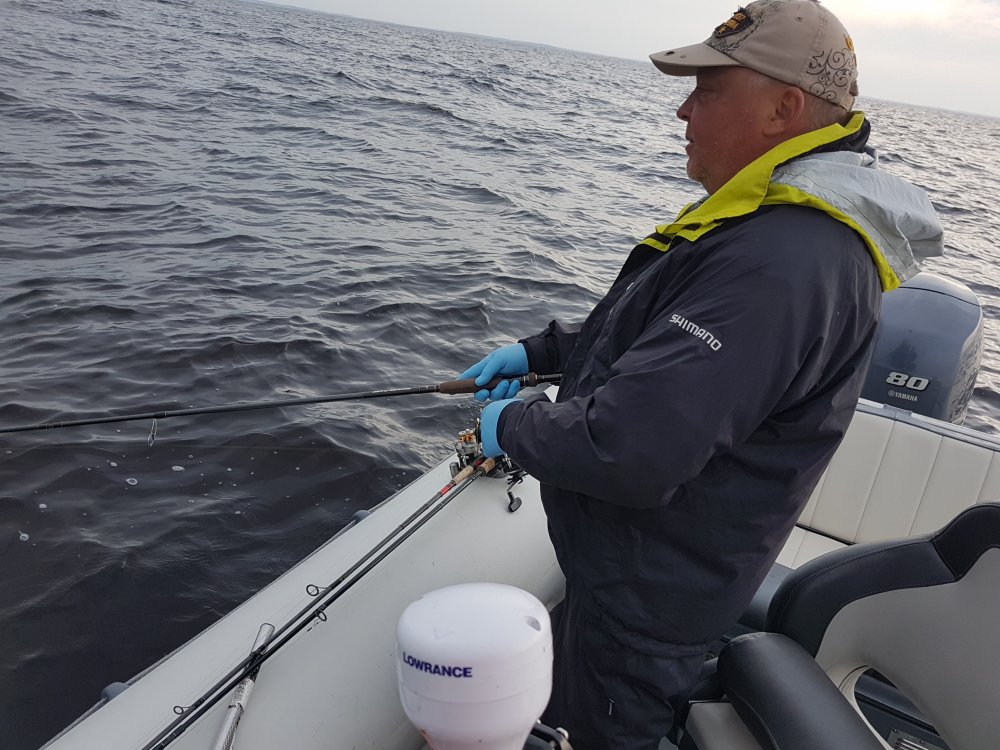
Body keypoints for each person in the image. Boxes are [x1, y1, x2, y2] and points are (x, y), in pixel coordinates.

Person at [460, 1, 943, 748]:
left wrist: (511, 425)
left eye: (708, 90)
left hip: (646, 602)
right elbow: (669, 333)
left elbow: (631, 450)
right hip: (637, 573)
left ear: (783, 109)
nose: (684, 110)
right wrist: (546, 351)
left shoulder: (786, 259)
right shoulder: (774, 227)